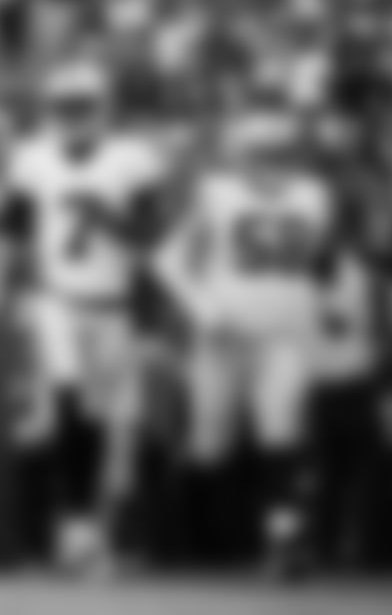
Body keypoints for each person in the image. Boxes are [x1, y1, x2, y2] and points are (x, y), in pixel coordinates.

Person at [0, 60, 168, 575]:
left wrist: (108, 218)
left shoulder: (132, 159)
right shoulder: (32, 159)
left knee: (97, 419)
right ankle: (75, 526)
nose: (73, 115)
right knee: (67, 400)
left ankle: (84, 526)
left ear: (103, 107)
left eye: (83, 105)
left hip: (112, 305)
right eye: (64, 106)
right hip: (56, 300)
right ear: (50, 110)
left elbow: (152, 240)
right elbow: (10, 230)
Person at [155, 105, 339, 576]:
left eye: (277, 153)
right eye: (259, 153)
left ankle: (283, 537)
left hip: (284, 336)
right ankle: (180, 539)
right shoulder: (216, 196)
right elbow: (168, 261)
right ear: (240, 156)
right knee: (208, 446)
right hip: (224, 339)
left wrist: (319, 311)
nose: (269, 163)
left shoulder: (314, 196)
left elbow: (321, 267)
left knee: (281, 429)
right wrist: (206, 312)